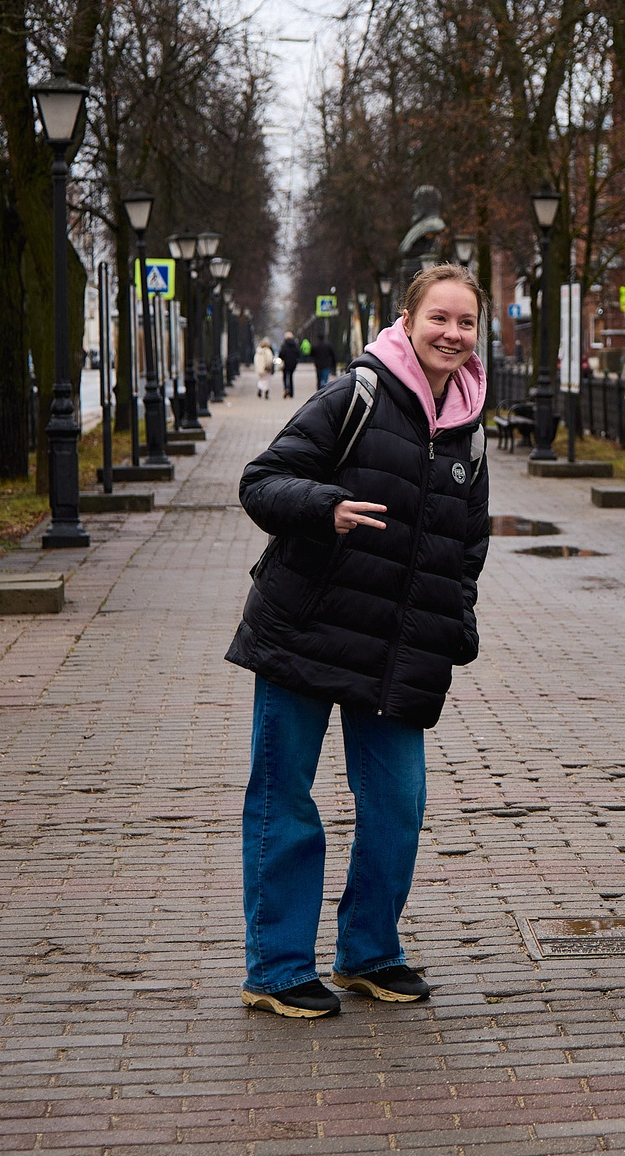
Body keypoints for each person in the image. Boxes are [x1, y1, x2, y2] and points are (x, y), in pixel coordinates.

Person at [226, 263, 490, 1019]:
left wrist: (457, 620)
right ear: (407, 322)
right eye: (439, 318)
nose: (452, 333)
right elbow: (261, 481)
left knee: (397, 806)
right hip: (306, 630)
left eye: (465, 322)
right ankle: (277, 968)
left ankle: (369, 953)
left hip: (401, 648)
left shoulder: (469, 429)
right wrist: (326, 506)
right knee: (285, 800)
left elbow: (468, 544)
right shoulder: (356, 395)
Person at [279, 329, 300, 399]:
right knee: (291, 377)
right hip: (293, 363)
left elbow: (281, 354)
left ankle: (286, 388)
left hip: (285, 363)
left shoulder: (284, 345)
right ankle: (291, 392)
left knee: (285, 377)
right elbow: (298, 354)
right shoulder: (295, 345)